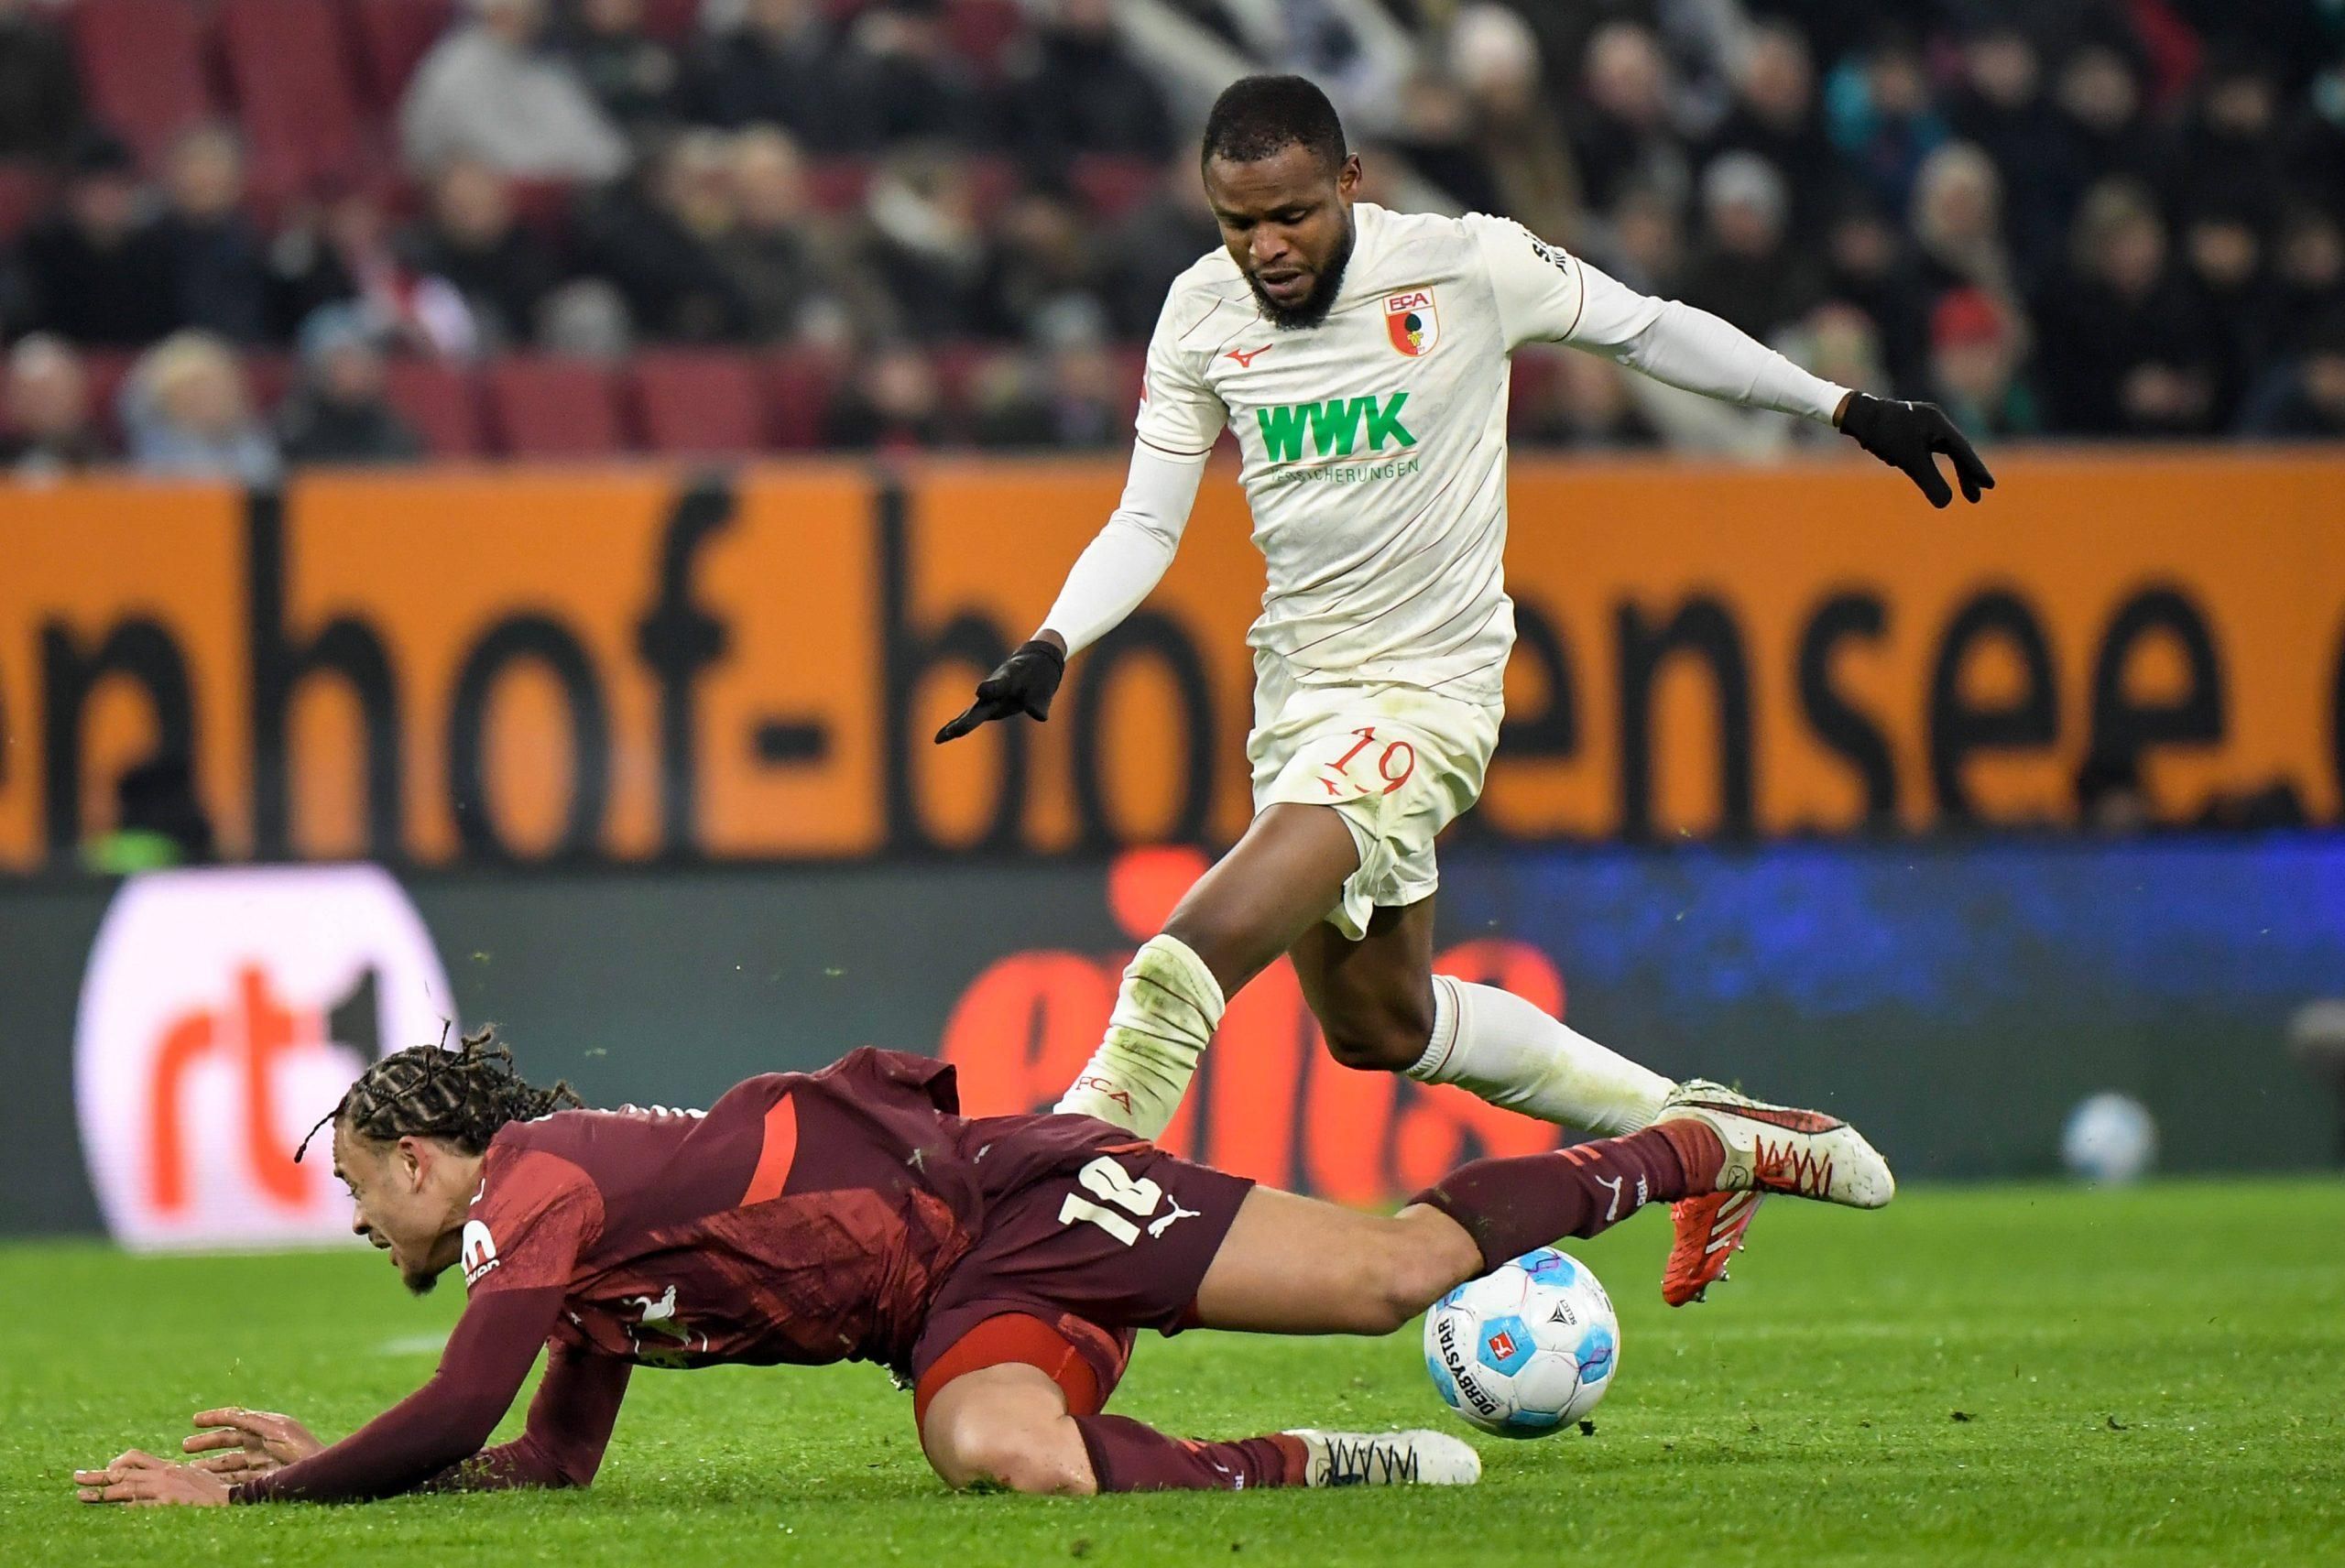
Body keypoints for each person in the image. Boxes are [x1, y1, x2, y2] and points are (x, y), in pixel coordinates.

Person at [935, 75, 1988, 1309]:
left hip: (1427, 697)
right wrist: (1055, 639)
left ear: (1349, 181)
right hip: (1301, 698)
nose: (1266, 247)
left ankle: (1047, 1222)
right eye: (1237, 222)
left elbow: (1650, 330)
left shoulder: (1467, 266)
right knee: (1378, 1025)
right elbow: (1145, 520)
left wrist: (1842, 405)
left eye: (1290, 215)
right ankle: (1709, 1135)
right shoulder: (1199, 312)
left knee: (1186, 957)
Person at [71, 1029, 1892, 1505]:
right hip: (955, 1313)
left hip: (1014, 1197)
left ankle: (1701, 1143)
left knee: (1385, 1276)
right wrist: (353, 1465)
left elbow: (463, 1403)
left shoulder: (529, 1193)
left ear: (420, 1158)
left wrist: (269, 1497)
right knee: (1003, 1455)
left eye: (357, 1188)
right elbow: (543, 1453)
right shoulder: (588, 1251)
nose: (357, 1223)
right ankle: (1308, 1466)